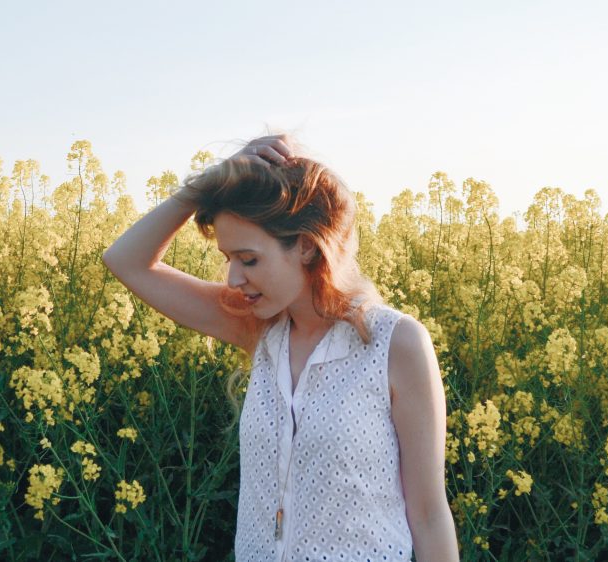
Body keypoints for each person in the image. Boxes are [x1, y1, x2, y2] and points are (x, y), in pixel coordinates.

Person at [102, 134, 459, 561]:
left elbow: (428, 515)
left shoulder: (394, 343)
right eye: (228, 258)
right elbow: (126, 261)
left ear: (306, 245)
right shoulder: (259, 328)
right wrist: (206, 185)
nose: (233, 278)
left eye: (249, 259)